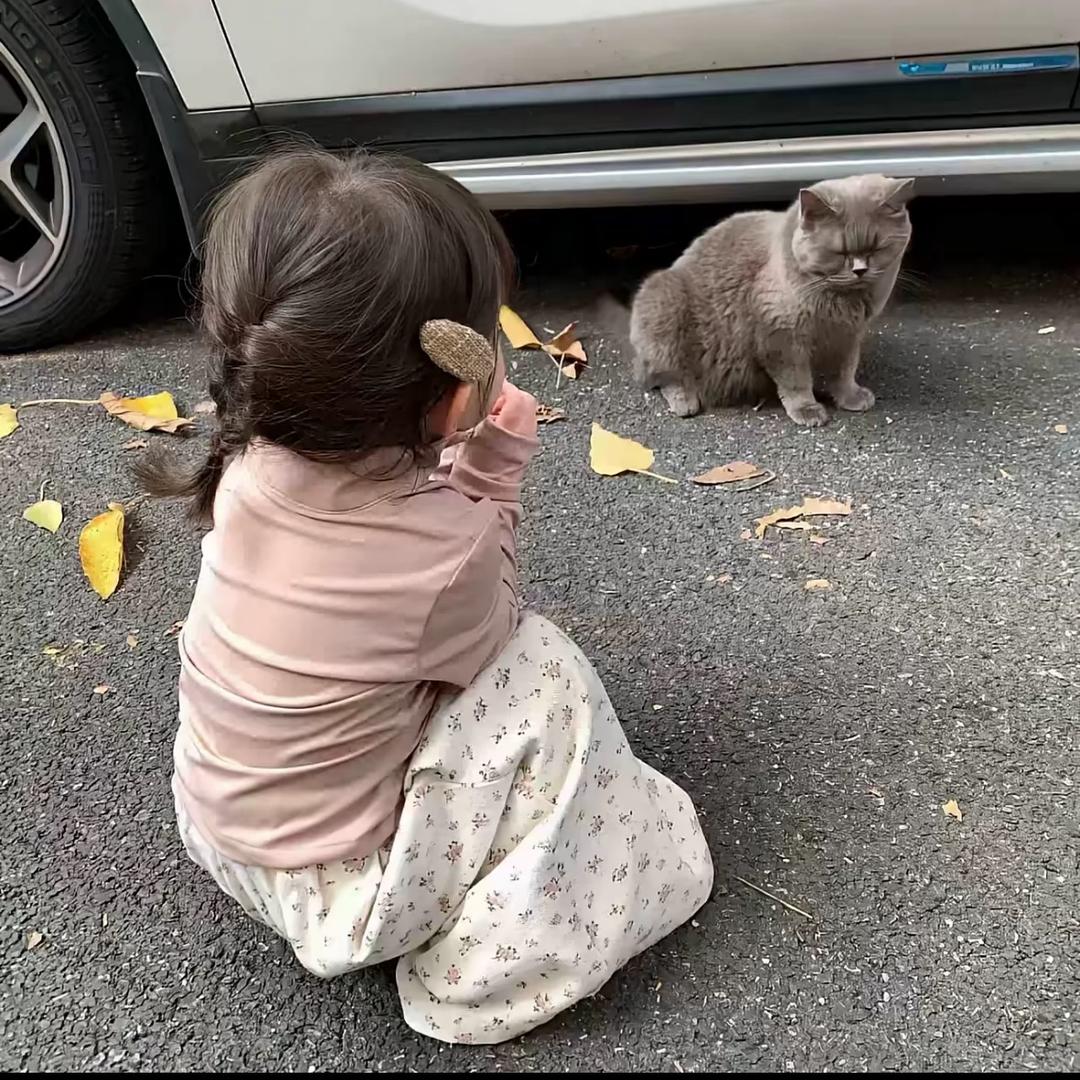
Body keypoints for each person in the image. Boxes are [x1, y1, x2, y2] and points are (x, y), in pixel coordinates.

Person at [139, 148, 713, 1045]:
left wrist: (449, 439)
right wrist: (493, 466)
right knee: (544, 672)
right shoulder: (446, 552)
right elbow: (493, 621)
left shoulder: (249, 464)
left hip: (222, 838)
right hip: (345, 897)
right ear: (454, 393)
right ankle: (489, 966)